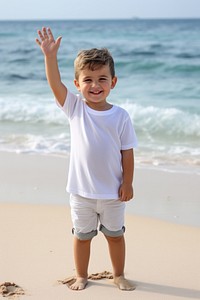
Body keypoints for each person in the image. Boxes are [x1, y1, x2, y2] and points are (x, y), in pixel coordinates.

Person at [36, 27, 137, 291]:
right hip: (81, 193)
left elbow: (127, 152)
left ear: (113, 83)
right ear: (77, 84)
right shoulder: (75, 108)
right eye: (88, 79)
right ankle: (82, 275)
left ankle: (118, 274)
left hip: (113, 193)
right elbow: (54, 83)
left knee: (115, 236)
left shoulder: (121, 116)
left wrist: (128, 183)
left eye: (102, 79)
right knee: (82, 237)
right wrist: (50, 57)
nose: (95, 85)